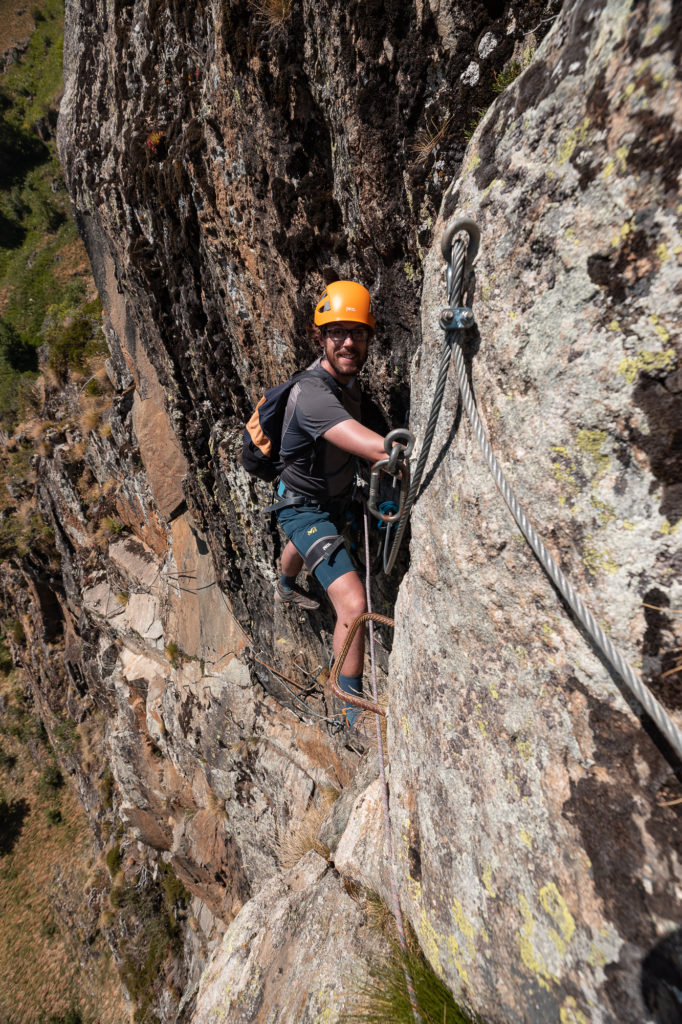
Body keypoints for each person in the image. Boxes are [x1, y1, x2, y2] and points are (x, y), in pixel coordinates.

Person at [271, 280, 389, 728]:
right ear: (319, 337)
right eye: (337, 331)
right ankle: (349, 703)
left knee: (304, 542)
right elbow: (379, 450)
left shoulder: (346, 381)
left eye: (357, 332)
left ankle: (285, 582)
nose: (347, 341)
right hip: (305, 506)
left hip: (319, 496)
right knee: (354, 605)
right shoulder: (315, 394)